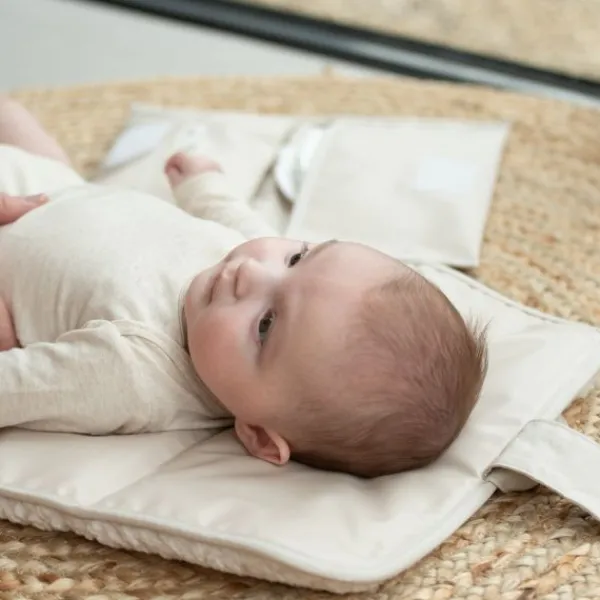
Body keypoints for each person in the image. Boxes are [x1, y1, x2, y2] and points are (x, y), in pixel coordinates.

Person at [0, 97, 487, 478]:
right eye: (300, 256)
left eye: (266, 325)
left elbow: (16, 387)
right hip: (54, 187)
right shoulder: (250, 259)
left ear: (257, 433)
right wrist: (203, 185)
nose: (252, 272)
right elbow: (237, 219)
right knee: (12, 116)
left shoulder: (132, 373)